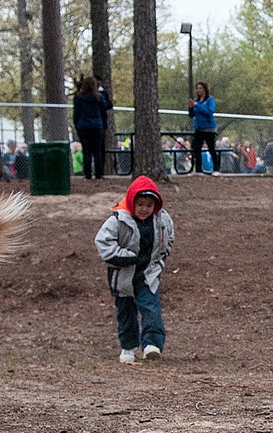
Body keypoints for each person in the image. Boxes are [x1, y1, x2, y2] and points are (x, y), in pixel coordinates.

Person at [94, 175, 174, 364]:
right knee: (126, 311)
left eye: (148, 205)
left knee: (151, 307)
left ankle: (152, 345)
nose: (144, 209)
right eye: (140, 204)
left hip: (148, 273)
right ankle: (128, 347)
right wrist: (124, 256)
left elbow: (169, 238)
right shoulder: (118, 219)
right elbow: (102, 241)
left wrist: (160, 260)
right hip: (123, 274)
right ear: (132, 202)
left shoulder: (162, 219)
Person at [73, 75, 107, 180]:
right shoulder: (99, 98)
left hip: (84, 127)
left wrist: (77, 126)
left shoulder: (79, 98)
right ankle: (99, 175)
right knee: (97, 152)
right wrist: (103, 126)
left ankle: (87, 175)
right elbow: (103, 113)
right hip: (97, 127)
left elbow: (76, 114)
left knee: (86, 151)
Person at [187, 80, 220, 174]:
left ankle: (216, 169)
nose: (198, 90)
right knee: (197, 149)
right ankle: (198, 170)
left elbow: (209, 112)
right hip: (198, 129)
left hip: (209, 129)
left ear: (204, 89)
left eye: (200, 88)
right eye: (197, 88)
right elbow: (192, 115)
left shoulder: (210, 100)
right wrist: (190, 108)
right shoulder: (196, 101)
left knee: (211, 149)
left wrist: (198, 105)